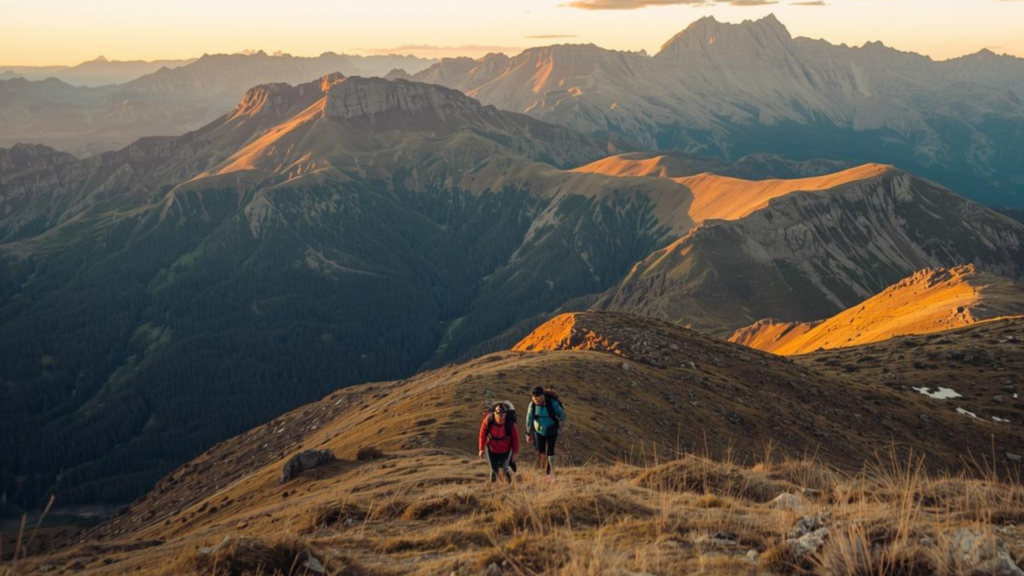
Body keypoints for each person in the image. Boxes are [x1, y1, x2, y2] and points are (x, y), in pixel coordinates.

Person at [525, 386, 566, 482]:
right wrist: (528, 433)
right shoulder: (532, 405)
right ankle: (544, 470)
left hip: (551, 428)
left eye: (538, 398)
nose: (536, 400)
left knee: (550, 450)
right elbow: (529, 419)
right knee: (541, 451)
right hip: (538, 430)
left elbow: (562, 415)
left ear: (543, 396)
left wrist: (562, 426)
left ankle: (549, 472)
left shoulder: (553, 404)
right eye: (534, 398)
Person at [479, 402, 520, 483]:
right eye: (499, 415)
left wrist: (515, 453)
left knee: (506, 469)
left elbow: (516, 439)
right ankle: (493, 488)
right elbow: (482, 435)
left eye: (503, 415)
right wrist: (481, 449)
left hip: (506, 450)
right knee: (494, 471)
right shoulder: (488, 420)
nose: (501, 418)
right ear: (494, 413)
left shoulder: (510, 424)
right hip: (491, 449)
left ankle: (509, 487)